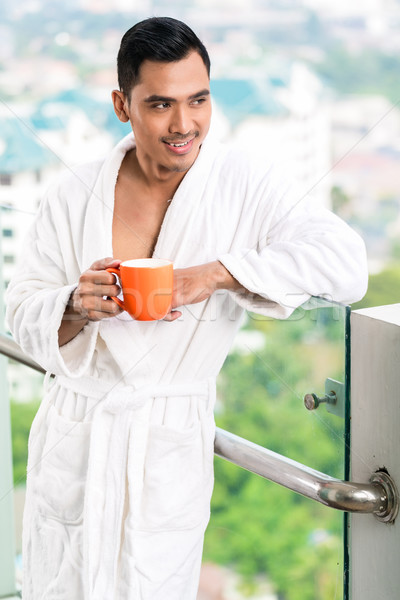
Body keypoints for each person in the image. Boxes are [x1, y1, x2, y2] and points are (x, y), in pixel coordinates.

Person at [6, 16, 368, 600]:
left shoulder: (243, 184)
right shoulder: (72, 193)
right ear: (122, 105)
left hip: (166, 449)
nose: (184, 124)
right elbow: (20, 307)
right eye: (160, 104)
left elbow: (346, 265)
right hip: (76, 439)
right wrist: (72, 306)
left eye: (198, 100)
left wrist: (218, 275)